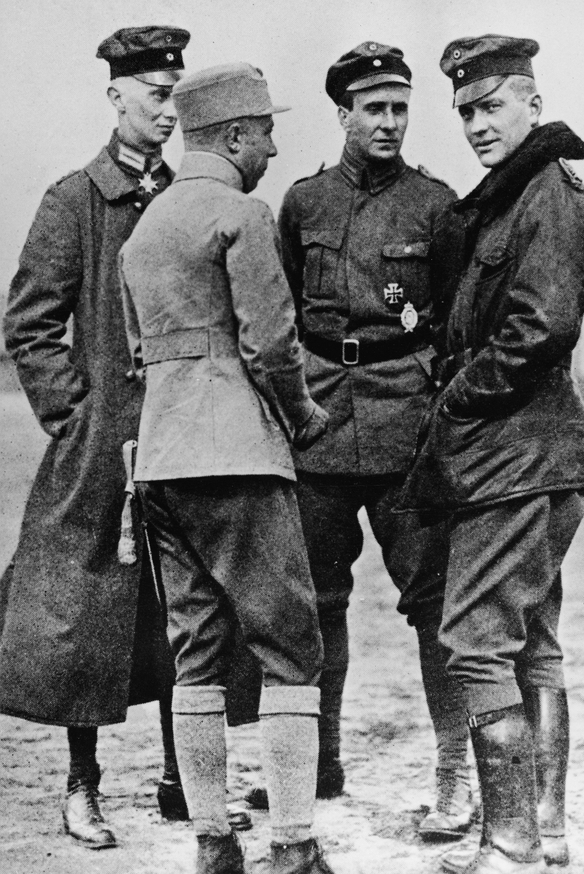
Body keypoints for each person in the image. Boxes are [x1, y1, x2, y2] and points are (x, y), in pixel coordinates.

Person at [246, 41, 473, 841]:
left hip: (408, 425)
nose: (388, 122)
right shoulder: (302, 203)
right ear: (342, 114)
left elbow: (456, 321)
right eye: (373, 109)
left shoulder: (438, 205)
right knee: (313, 604)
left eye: (399, 108)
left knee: (436, 604)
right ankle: (316, 766)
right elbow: (276, 319)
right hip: (316, 424)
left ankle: (455, 775)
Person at [0, 25, 216, 849]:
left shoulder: (190, 195)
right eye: (156, 95)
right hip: (102, 450)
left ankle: (181, 779)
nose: (169, 111)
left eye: (176, 95)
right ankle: (81, 784)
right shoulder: (73, 201)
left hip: (188, 433)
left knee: (189, 604)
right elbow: (31, 323)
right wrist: (75, 413)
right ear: (116, 96)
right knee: (82, 611)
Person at [120, 62, 336, 874]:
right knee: (291, 648)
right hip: (239, 455)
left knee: (195, 650)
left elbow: (140, 351)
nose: (275, 149)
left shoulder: (145, 230)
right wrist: (305, 414)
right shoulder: (241, 213)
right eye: (267, 132)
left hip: (165, 460)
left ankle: (214, 841)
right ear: (236, 136)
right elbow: (271, 344)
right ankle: (293, 846)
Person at [399, 35, 584, 873]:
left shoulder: (546, 194)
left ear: (532, 103)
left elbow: (541, 329)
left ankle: (510, 840)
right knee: (532, 641)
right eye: (467, 112)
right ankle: (545, 832)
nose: (477, 124)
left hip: (513, 462)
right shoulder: (510, 198)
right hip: (537, 457)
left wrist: (454, 399)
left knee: (476, 644)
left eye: (491, 106)